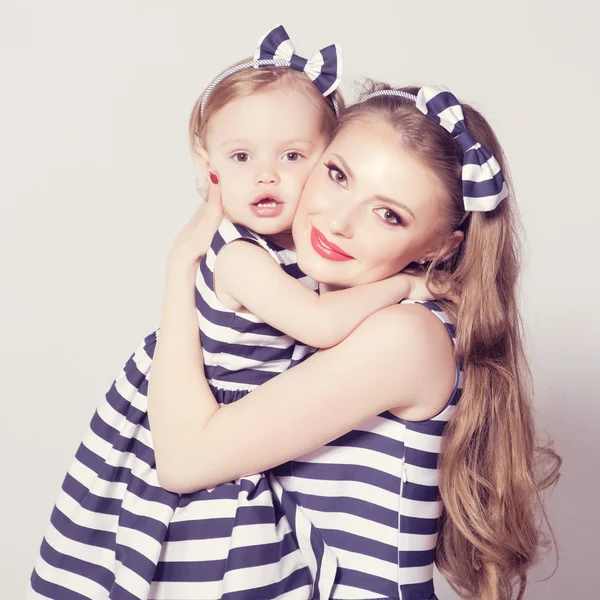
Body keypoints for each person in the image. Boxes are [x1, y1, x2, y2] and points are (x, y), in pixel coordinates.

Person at [27, 27, 431, 600]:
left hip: (234, 417)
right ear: (208, 163)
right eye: (241, 156)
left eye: (293, 157)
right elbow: (317, 326)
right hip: (199, 407)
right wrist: (404, 285)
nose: (266, 175)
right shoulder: (241, 255)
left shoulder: (305, 255)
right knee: (187, 557)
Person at [147, 83, 560, 600]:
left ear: (438, 245)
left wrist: (181, 270)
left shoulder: (403, 335)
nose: (338, 222)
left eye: (389, 214)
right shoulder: (314, 315)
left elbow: (184, 462)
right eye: (338, 176)